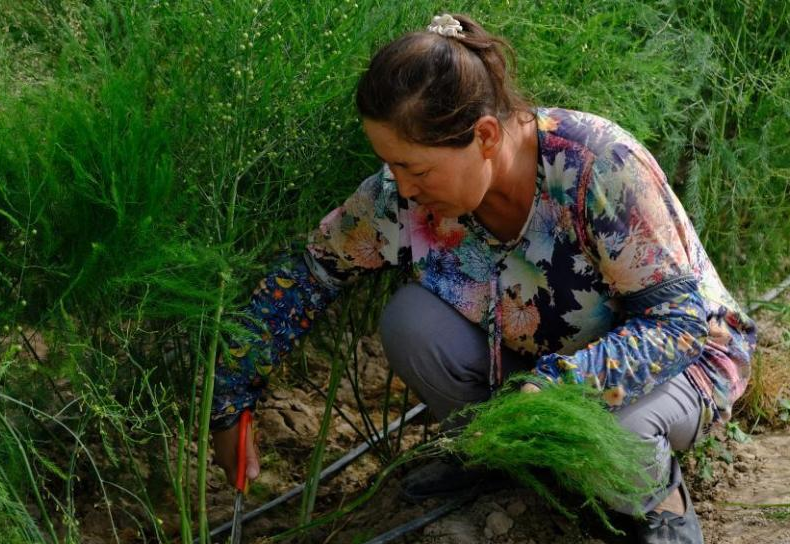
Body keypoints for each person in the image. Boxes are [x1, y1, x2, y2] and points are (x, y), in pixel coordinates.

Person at [209, 13, 756, 543]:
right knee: (411, 324)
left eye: (416, 168)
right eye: (391, 165)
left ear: (486, 136)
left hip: (681, 365)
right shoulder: (398, 197)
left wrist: (559, 388)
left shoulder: (596, 166)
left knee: (612, 432)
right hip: (533, 376)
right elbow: (307, 275)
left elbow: (679, 323)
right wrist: (230, 400)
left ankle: (659, 502)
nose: (402, 187)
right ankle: (503, 459)